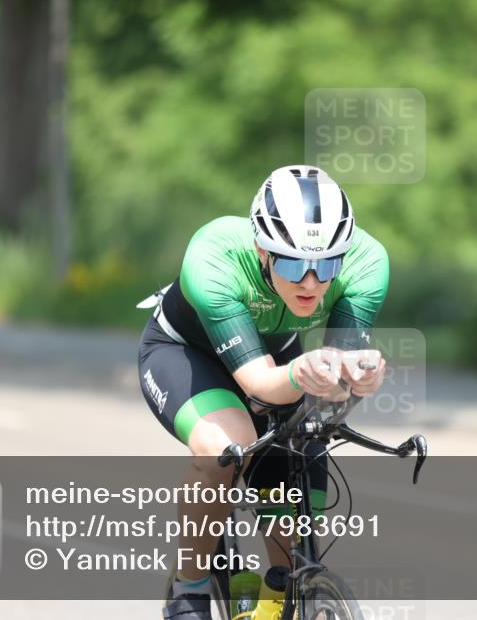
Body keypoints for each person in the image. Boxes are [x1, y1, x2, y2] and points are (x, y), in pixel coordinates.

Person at [137, 165, 389, 619]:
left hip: (277, 358)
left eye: (326, 264)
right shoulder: (214, 255)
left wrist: (359, 378)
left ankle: (279, 593)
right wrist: (301, 374)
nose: (310, 283)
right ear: (262, 249)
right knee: (226, 447)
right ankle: (189, 589)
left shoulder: (368, 263)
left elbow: (338, 371)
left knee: (301, 449)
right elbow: (258, 383)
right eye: (292, 263)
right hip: (188, 354)